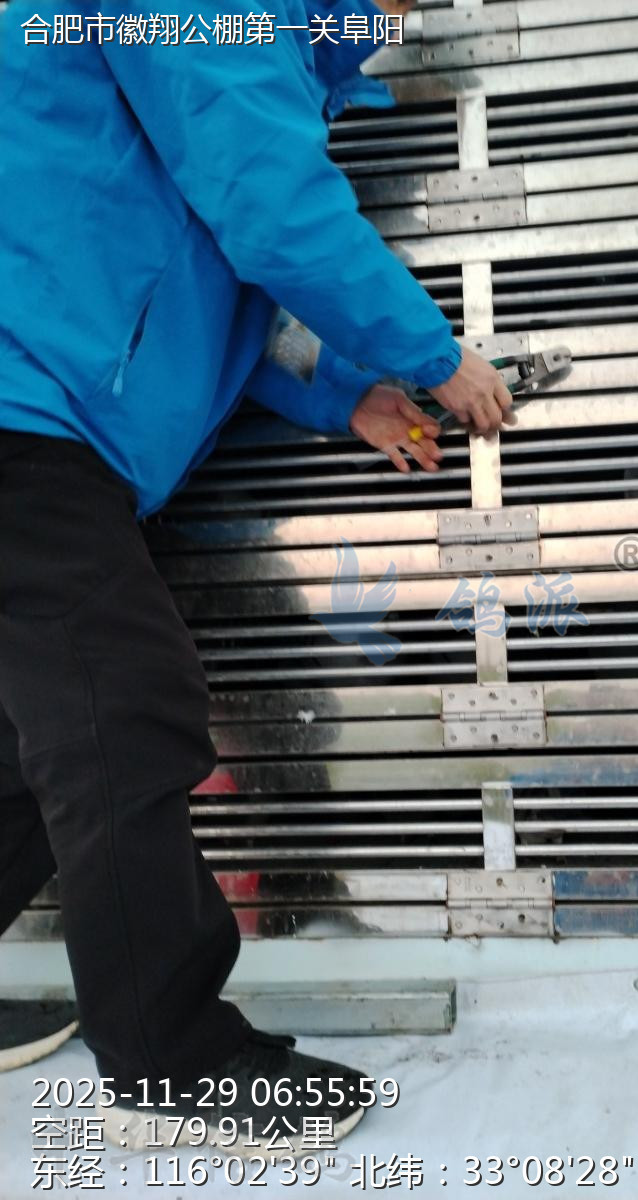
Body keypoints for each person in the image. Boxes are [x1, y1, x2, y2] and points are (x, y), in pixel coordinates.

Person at [0, 0, 512, 1155]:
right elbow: (262, 199)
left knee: (24, 752)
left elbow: (192, 272)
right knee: (123, 716)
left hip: (40, 414)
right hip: (25, 421)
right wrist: (434, 355)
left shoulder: (264, 47)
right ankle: (168, 1066)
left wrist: (343, 394)